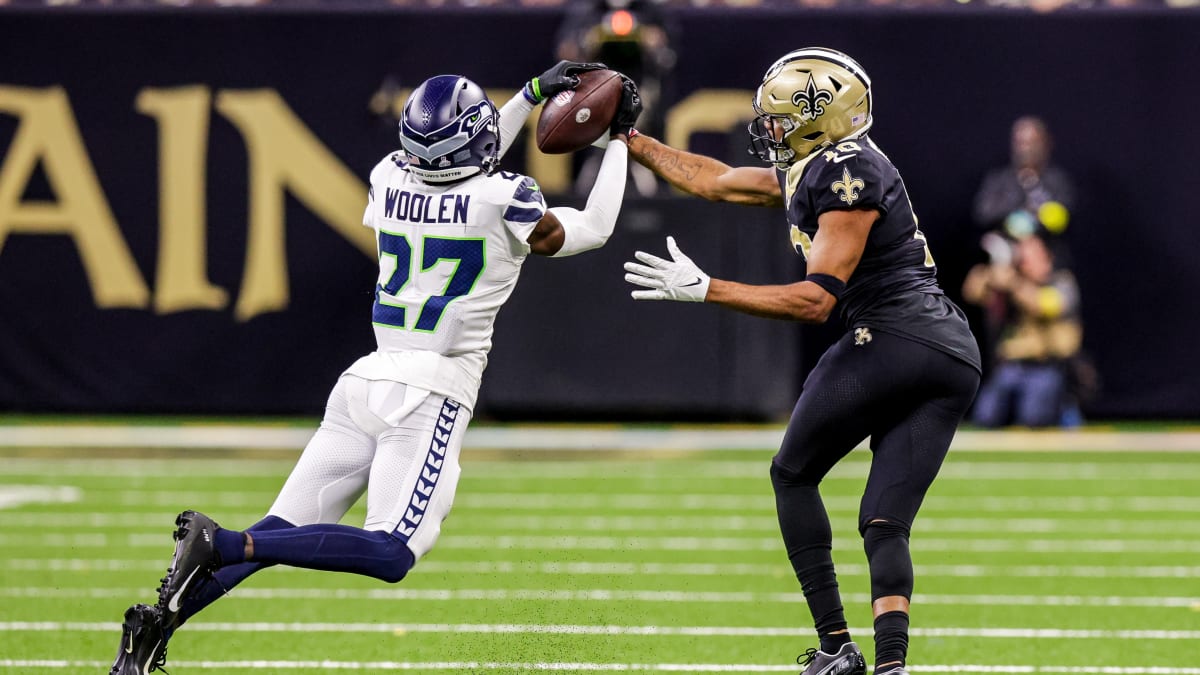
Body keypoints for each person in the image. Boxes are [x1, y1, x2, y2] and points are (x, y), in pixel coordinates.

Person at [109, 61, 642, 674]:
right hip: (432, 390)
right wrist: (619, 139)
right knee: (390, 551)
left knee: (283, 529)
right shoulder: (508, 199)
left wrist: (529, 95)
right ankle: (222, 541)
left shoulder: (388, 177)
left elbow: (468, 160)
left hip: (366, 379)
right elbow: (595, 227)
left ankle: (153, 629)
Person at [620, 47, 980, 675]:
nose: (769, 130)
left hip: (895, 336)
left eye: (780, 119)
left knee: (792, 473)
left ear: (819, 119)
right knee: (884, 522)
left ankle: (838, 647)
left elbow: (816, 300)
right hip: (949, 351)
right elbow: (713, 179)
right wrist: (628, 139)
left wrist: (708, 288)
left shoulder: (848, 174)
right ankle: (891, 667)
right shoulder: (820, 164)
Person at [961, 233, 1083, 427]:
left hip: (1046, 365)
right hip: (1011, 366)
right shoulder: (1013, 283)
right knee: (985, 418)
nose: (1025, 262)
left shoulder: (1062, 281)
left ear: (1047, 257)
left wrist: (1013, 284)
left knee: (1033, 419)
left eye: (1031, 255)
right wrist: (991, 272)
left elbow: (1043, 306)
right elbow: (972, 293)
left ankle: (1065, 408)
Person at [973, 115, 1075, 262]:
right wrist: (1014, 214)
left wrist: (1035, 221)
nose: (1025, 149)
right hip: (1005, 255)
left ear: (1045, 143)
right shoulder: (1000, 179)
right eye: (1020, 143)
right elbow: (983, 212)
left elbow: (1064, 217)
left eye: (1032, 142)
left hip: (1048, 257)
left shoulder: (1058, 181)